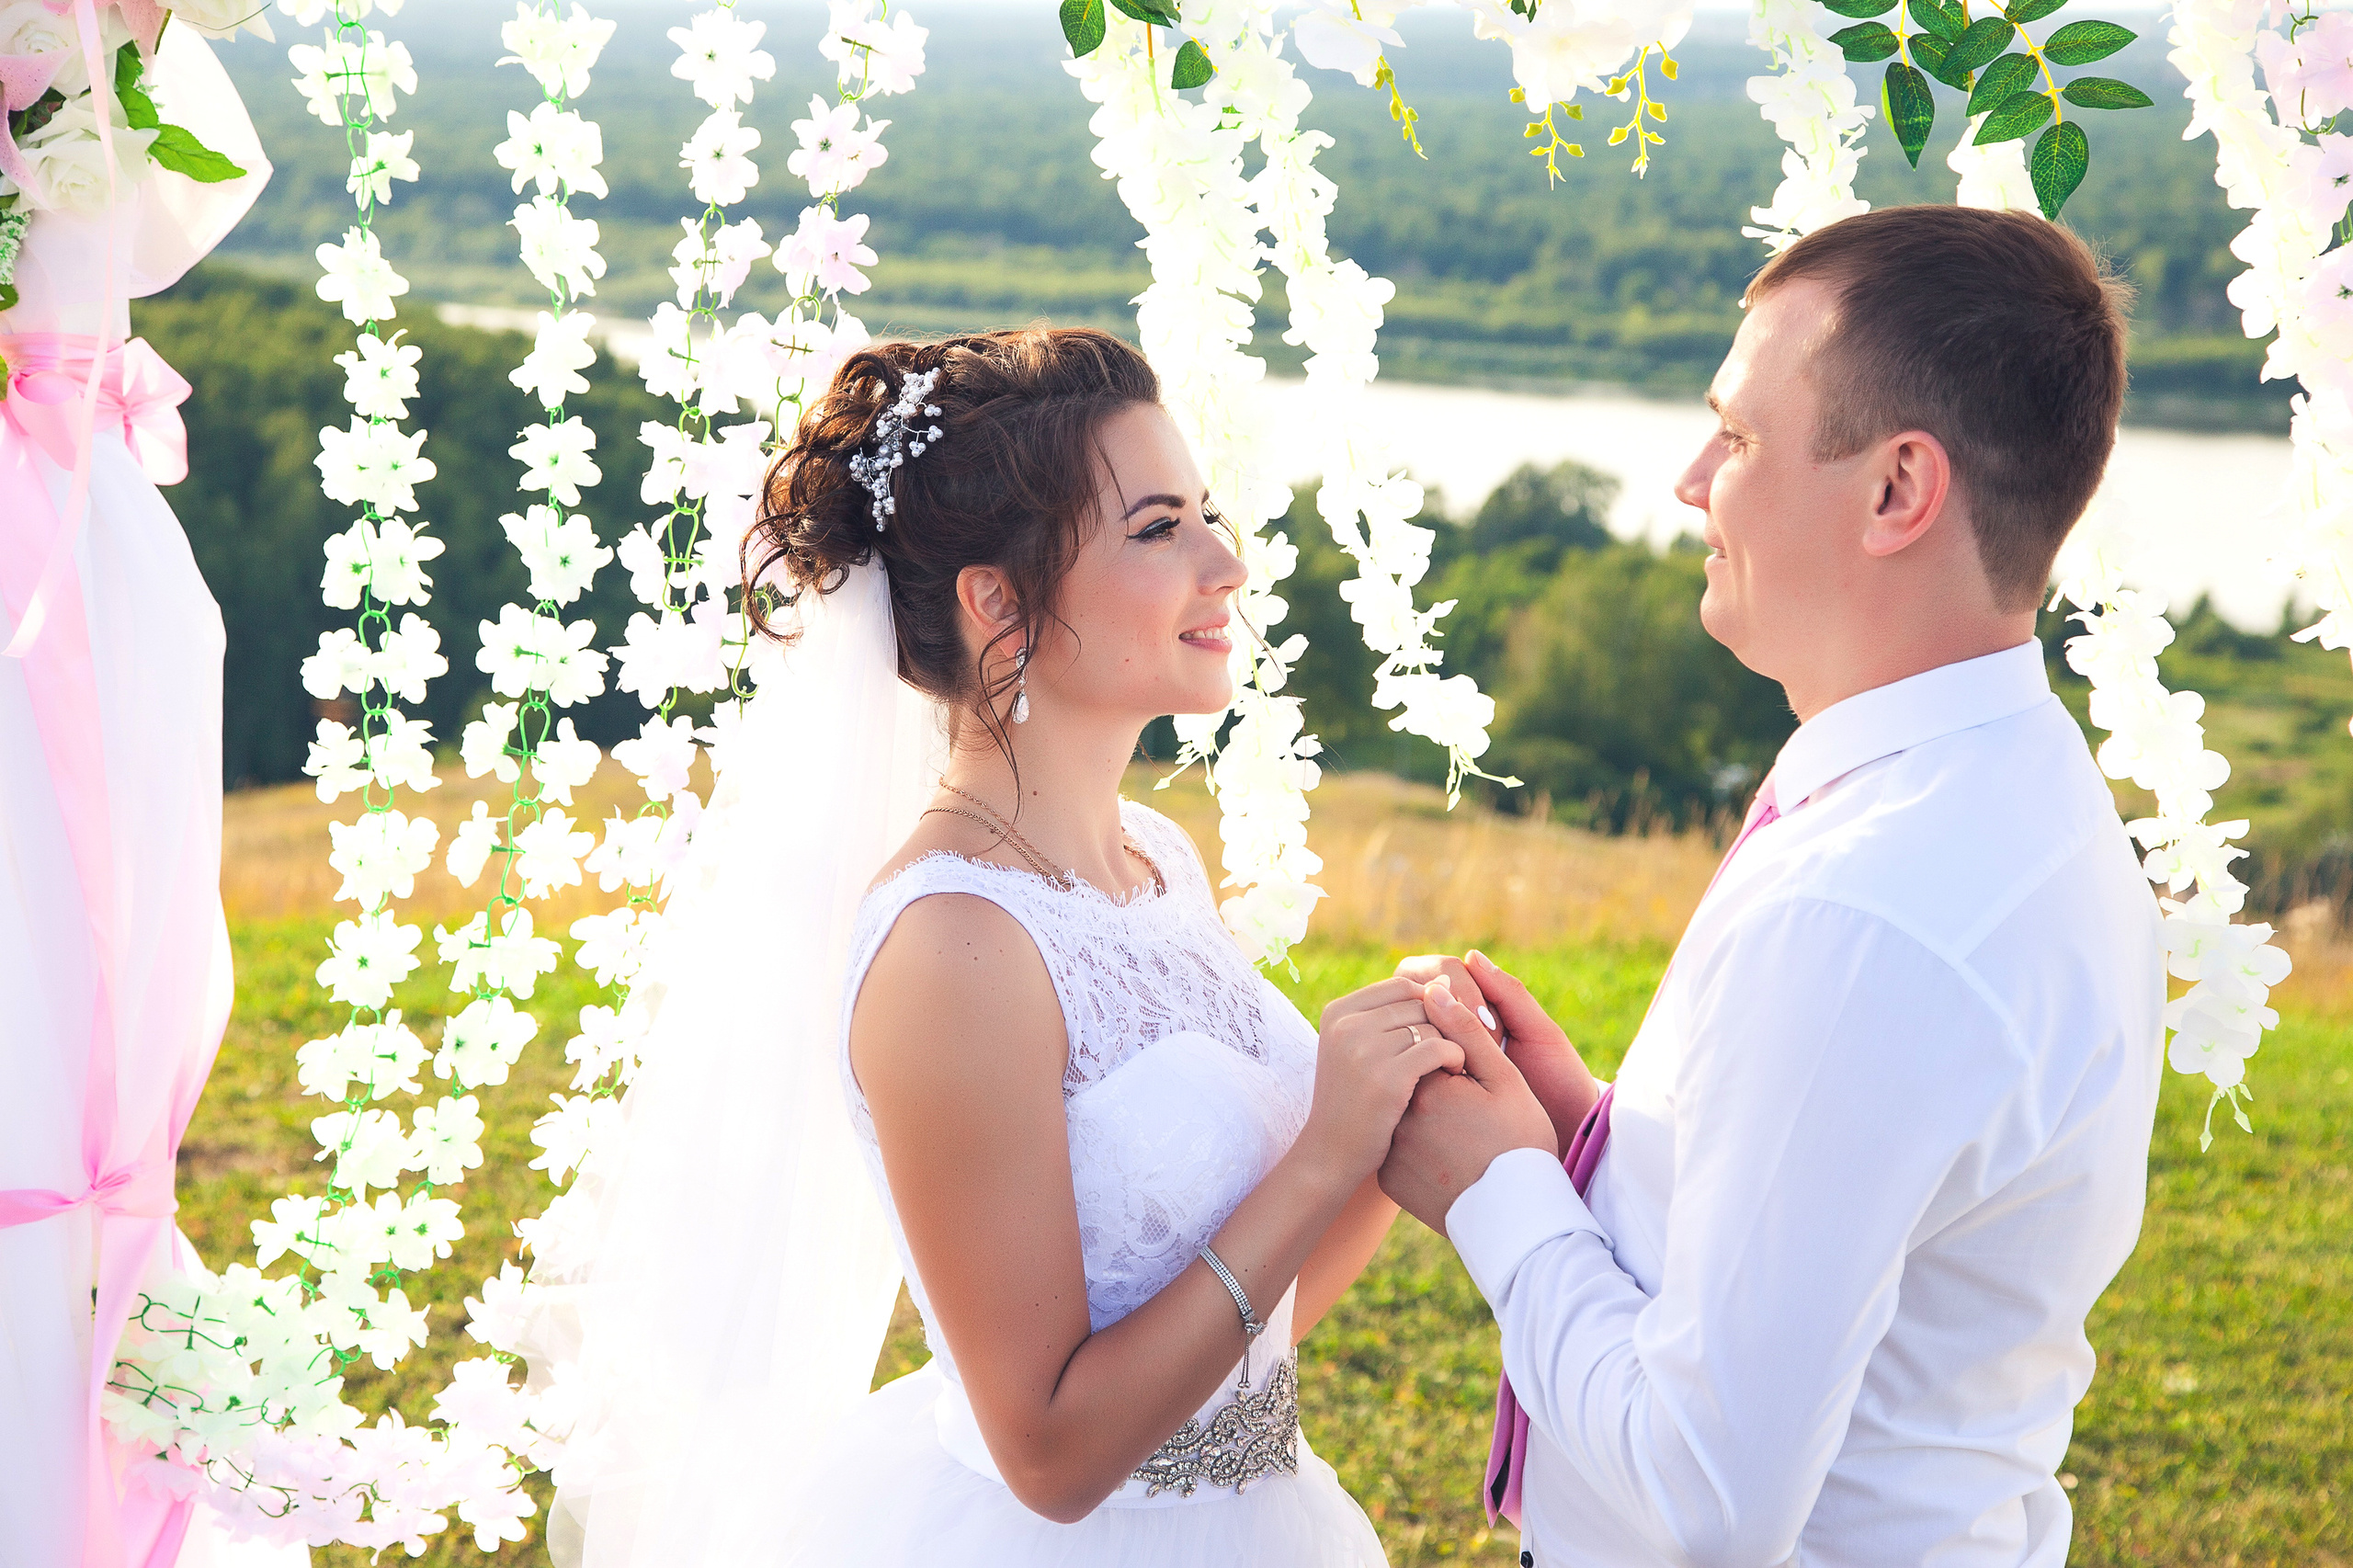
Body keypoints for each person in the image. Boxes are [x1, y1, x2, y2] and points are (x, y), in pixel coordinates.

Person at [542, 326, 1451, 1567]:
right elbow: (1052, 1455)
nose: (1227, 564)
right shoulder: (954, 946)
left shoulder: (1153, 859)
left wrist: (1388, 1127)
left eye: (1209, 516)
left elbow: (1251, 1324)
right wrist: (1328, 1153)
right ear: (998, 602)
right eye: (1158, 529)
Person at [1378, 205, 2167, 1568]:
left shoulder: (1864, 909)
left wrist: (1496, 1193)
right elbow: (1870, 1204)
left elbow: (1706, 1499)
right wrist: (1595, 1140)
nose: (1693, 480)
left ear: (1897, 490)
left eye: (1737, 437)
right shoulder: (2013, 785)